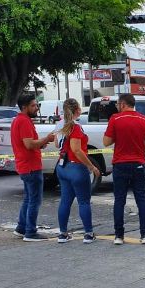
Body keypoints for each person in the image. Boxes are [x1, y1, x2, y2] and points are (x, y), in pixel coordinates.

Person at [103, 93, 145, 245]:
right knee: (141, 199)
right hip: (138, 164)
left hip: (120, 164)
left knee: (119, 200)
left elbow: (106, 142)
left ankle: (119, 236)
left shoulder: (115, 119)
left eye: (117, 104)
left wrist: (118, 139)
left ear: (122, 104)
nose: (117, 107)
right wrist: (140, 145)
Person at [54, 98, 100, 244]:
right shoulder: (76, 127)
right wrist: (91, 166)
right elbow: (76, 150)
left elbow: (56, 144)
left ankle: (63, 233)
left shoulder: (59, 125)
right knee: (84, 202)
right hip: (76, 167)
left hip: (62, 166)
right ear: (77, 110)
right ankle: (88, 233)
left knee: (65, 201)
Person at [11, 95, 55, 241]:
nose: (37, 108)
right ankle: (30, 232)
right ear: (25, 107)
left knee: (28, 198)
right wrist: (46, 139)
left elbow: (29, 144)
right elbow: (29, 144)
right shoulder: (23, 121)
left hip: (26, 165)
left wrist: (41, 144)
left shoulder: (20, 120)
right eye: (34, 105)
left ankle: (21, 228)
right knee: (34, 200)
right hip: (30, 166)